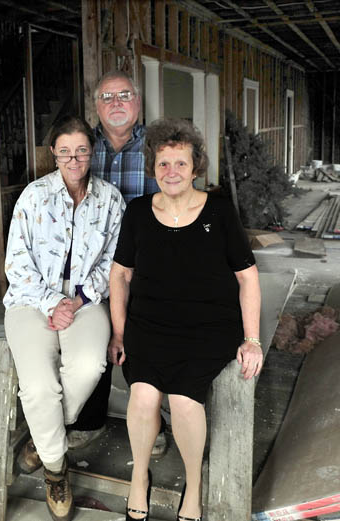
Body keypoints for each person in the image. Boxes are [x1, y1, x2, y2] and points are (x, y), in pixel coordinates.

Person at [108, 119, 263, 521]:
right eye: (163, 164)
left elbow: (247, 276)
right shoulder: (139, 212)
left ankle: (193, 488)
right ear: (152, 167)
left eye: (180, 163)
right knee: (143, 397)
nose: (171, 172)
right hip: (149, 326)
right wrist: (119, 332)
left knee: (182, 399)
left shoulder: (219, 210)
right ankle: (139, 479)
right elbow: (120, 274)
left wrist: (253, 339)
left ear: (196, 168)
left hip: (207, 328)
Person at [3, 115, 125, 521]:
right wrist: (51, 301)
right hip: (31, 302)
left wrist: (77, 299)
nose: (74, 160)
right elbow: (16, 264)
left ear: (92, 152)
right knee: (38, 387)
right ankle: (56, 470)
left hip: (87, 301)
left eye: (82, 151)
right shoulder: (33, 197)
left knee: (90, 365)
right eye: (65, 151)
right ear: (53, 153)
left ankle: (43, 438)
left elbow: (114, 261)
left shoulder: (110, 199)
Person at [66, 70, 166, 452]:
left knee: (145, 342)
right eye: (107, 97)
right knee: (94, 336)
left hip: (145, 264)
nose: (116, 103)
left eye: (124, 95)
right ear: (96, 106)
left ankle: (152, 425)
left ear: (138, 102)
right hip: (93, 265)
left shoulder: (157, 147)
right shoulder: (83, 148)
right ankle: (90, 420)